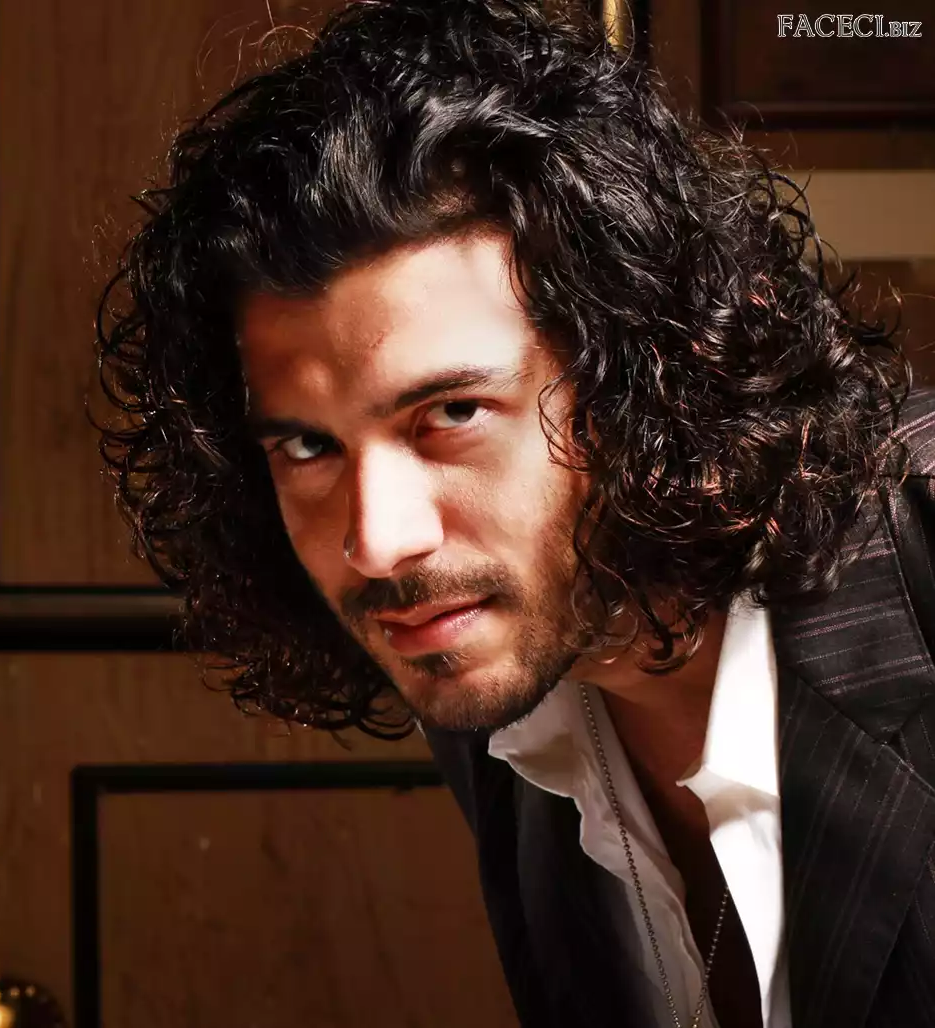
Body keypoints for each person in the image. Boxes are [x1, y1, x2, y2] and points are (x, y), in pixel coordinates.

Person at [92, 2, 935, 1026]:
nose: (379, 541)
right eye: (308, 447)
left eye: (452, 413)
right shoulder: (498, 679)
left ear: (649, 371)